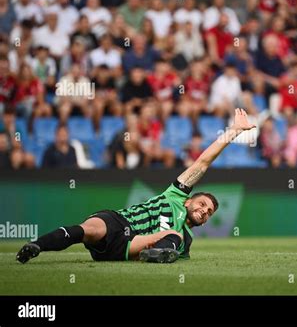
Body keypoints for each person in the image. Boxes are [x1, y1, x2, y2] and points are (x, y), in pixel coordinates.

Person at [17, 109, 256, 264]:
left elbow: (178, 241)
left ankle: (154, 256)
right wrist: (234, 131)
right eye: (203, 204)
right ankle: (36, 245)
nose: (204, 211)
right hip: (118, 221)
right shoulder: (175, 195)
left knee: (174, 235)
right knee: (88, 230)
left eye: (209, 213)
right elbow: (203, 162)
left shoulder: (185, 237)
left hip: (130, 246)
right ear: (188, 200)